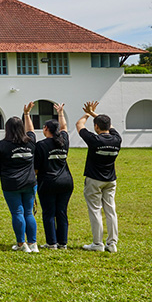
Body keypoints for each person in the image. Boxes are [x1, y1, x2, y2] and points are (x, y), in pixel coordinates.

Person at [0, 102, 38, 253]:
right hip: (30, 182)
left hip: (11, 184)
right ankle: (33, 244)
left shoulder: (2, 145)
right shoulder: (30, 142)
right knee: (28, 212)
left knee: (17, 212)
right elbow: (31, 130)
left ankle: (21, 244)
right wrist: (27, 114)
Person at [77, 100, 121, 253]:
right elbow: (110, 126)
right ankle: (112, 243)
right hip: (111, 180)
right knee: (111, 211)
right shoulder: (117, 139)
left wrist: (87, 114)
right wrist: (94, 114)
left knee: (95, 211)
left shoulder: (94, 140)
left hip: (94, 180)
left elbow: (79, 125)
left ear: (96, 127)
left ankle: (97, 243)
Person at [34, 103, 73, 250]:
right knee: (62, 212)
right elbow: (64, 127)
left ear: (45, 129)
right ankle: (63, 243)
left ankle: (51, 243)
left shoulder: (41, 145)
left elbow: (36, 168)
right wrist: (61, 113)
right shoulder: (64, 141)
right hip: (66, 182)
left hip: (48, 182)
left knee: (49, 213)